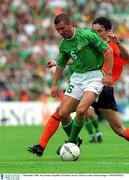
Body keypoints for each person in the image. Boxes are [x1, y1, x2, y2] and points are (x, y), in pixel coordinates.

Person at [29, 16, 129, 158]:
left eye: (99, 31)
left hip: (104, 88)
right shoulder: (90, 41)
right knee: (63, 111)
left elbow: (126, 58)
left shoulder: (112, 47)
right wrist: (59, 63)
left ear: (108, 31)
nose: (95, 33)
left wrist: (119, 45)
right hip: (85, 83)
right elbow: (80, 58)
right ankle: (65, 142)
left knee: (119, 129)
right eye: (94, 30)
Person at [28, 14, 113, 156]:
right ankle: (75, 140)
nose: (60, 32)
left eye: (62, 28)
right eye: (57, 30)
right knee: (62, 113)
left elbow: (108, 51)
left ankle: (71, 142)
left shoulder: (86, 35)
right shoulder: (64, 45)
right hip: (78, 78)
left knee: (81, 111)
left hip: (94, 76)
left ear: (69, 25)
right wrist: (54, 85)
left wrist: (109, 74)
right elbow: (61, 64)